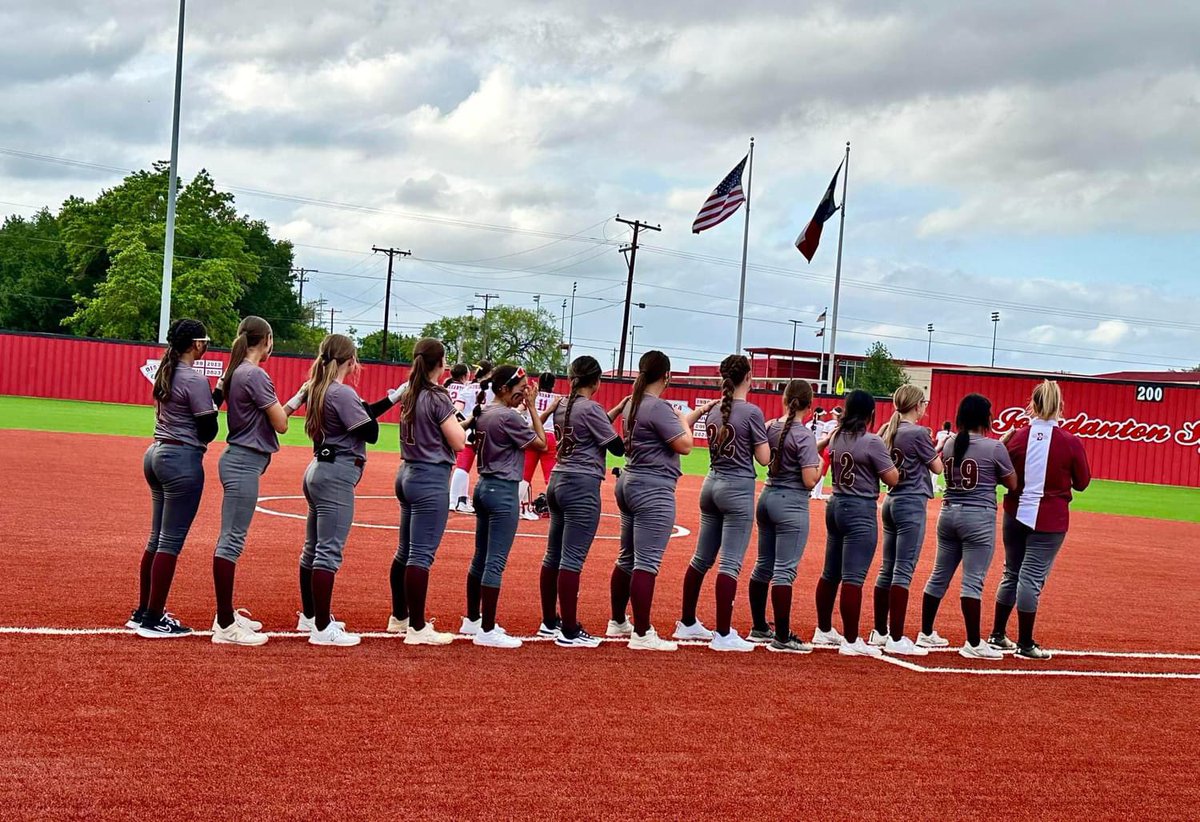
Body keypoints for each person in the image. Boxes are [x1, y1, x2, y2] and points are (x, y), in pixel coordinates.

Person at [298, 334, 403, 647]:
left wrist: (392, 399)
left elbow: (362, 412)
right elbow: (369, 431)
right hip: (337, 473)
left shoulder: (319, 387)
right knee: (327, 552)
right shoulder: (342, 392)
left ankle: (311, 615)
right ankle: (320, 627)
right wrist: (389, 402)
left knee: (312, 548)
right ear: (349, 361)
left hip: (320, 468)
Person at [210, 316, 306, 646]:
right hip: (243, 462)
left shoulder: (237, 371)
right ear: (265, 340)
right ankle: (224, 623)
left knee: (231, 539)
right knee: (231, 541)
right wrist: (297, 400)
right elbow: (280, 423)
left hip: (240, 459)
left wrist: (297, 398)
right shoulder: (255, 374)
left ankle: (225, 614)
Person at [610, 351, 714, 651]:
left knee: (627, 557)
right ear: (666, 376)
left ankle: (619, 621)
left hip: (630, 479)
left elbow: (670, 428)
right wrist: (684, 418)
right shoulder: (657, 406)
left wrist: (690, 415)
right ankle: (642, 633)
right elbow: (685, 444)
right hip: (653, 487)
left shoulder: (633, 402)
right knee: (646, 562)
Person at [989, 380, 1091, 660]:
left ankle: (997, 634)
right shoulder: (1070, 442)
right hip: (1050, 519)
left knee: (1012, 573)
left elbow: (1000, 473)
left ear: (1032, 405)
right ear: (1060, 407)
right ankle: (1025, 642)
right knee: (1031, 578)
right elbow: (1082, 482)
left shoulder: (1017, 437)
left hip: (1015, 513)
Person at [128, 318, 217, 638]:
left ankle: (143, 611)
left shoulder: (167, 371)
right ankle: (153, 617)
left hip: (157, 452)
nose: (206, 346)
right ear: (195, 344)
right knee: (170, 541)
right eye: (204, 341)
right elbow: (208, 429)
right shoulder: (194, 379)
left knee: (157, 538)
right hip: (181, 459)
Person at [675, 355, 770, 652]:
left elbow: (684, 423)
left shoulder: (715, 410)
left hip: (711, 483)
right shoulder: (751, 411)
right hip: (737, 487)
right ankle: (724, 633)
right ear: (748, 377)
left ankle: (687, 621)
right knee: (730, 562)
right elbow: (765, 458)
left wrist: (706, 407)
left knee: (701, 558)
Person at [919, 393, 1017, 659]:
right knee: (973, 582)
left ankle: (925, 632)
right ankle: (973, 643)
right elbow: (1011, 483)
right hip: (978, 517)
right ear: (985, 417)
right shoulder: (994, 447)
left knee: (939, 575)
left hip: (948, 513)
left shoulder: (951, 443)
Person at [386, 338, 467, 646]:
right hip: (430, 476)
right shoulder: (437, 395)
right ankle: (417, 627)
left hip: (407, 471)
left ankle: (401, 616)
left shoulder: (410, 391)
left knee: (405, 550)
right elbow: (458, 441)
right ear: (439, 362)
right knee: (420, 554)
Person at [541, 356, 627, 648]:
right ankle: (569, 630)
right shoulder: (591, 408)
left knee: (553, 555)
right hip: (581, 482)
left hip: (558, 478)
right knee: (572, 559)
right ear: (597, 381)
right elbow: (615, 447)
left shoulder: (564, 404)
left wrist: (614, 411)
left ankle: (549, 622)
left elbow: (594, 425)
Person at [461, 365, 547, 649]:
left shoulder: (485, 411)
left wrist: (528, 408)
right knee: (495, 562)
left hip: (484, 486)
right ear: (504, 389)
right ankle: (486, 629)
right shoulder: (508, 416)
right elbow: (541, 443)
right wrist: (534, 409)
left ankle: (473, 619)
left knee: (480, 557)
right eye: (520, 391)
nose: (523, 396)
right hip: (503, 491)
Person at [812, 390, 899, 657]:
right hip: (859, 507)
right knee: (853, 577)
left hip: (836, 503)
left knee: (830, 572)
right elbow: (892, 478)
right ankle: (851, 640)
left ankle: (824, 629)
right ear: (870, 414)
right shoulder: (871, 441)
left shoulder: (837, 436)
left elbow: (819, 449)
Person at [749, 379, 822, 654]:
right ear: (809, 405)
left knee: (763, 564)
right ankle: (782, 635)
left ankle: (759, 626)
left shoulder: (770, 426)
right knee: (784, 570)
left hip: (767, 495)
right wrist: (819, 466)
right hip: (791, 502)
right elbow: (808, 479)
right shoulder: (803, 435)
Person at [869, 385, 943, 656]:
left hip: (890, 500)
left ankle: (880, 630)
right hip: (911, 502)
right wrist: (940, 447)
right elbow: (937, 467)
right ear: (916, 406)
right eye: (923, 403)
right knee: (903, 570)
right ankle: (897, 637)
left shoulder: (889, 429)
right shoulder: (918, 432)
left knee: (886, 568)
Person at [449, 361, 493, 514]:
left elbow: (456, 409)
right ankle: (480, 501)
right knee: (488, 468)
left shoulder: (467, 388)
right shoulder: (493, 389)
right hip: (489, 432)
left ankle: (455, 500)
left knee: (462, 467)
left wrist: (465, 422)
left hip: (469, 431)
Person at [520, 371, 560, 521]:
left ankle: (519, 506)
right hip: (549, 435)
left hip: (532, 434)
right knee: (551, 476)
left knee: (525, 475)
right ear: (553, 384)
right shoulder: (558, 399)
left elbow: (521, 410)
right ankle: (555, 507)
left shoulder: (531, 396)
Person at [811, 407, 840, 500]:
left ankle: (816, 492)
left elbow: (824, 438)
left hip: (827, 449)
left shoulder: (827, 424)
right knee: (838, 473)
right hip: (839, 450)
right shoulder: (844, 424)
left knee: (822, 472)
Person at [933, 421, 953, 491]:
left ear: (943, 426)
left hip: (940, 452)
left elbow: (937, 442)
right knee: (948, 471)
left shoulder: (939, 433)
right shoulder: (953, 434)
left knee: (936, 471)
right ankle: (948, 486)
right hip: (948, 453)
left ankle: (933, 486)